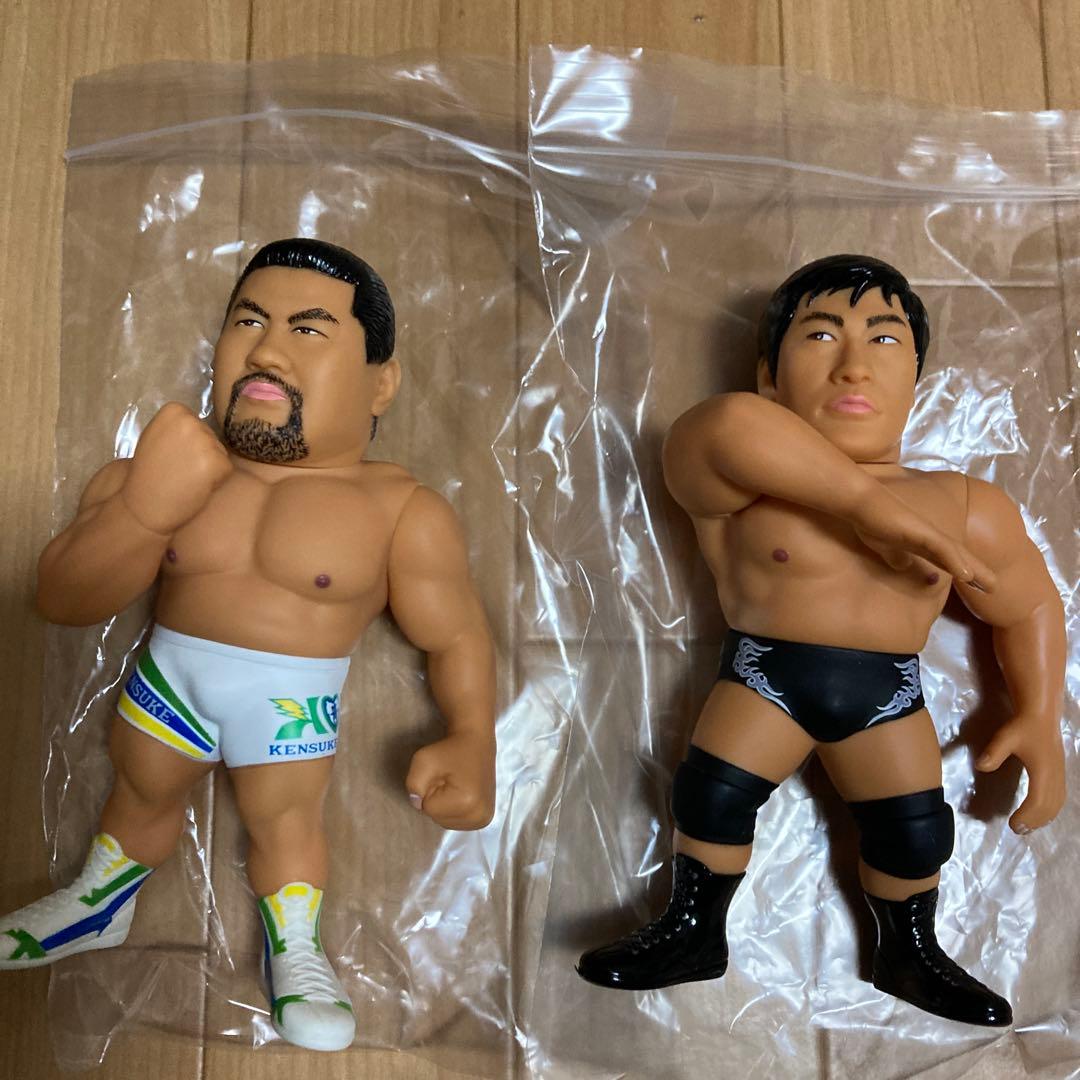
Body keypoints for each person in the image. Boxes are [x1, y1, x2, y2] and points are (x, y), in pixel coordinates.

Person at [0, 238, 497, 1053]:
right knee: (140, 791)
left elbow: (457, 634)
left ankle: (295, 946)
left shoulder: (399, 508)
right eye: (248, 322)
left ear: (380, 382)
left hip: (289, 699)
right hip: (171, 682)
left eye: (307, 330)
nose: (265, 351)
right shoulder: (164, 466)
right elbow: (61, 598)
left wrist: (473, 734)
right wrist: (145, 508)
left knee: (286, 823)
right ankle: (99, 903)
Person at [576, 254, 1066, 1027]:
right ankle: (693, 929)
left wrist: (1040, 714)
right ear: (768, 377)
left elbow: (1029, 604)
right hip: (764, 677)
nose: (853, 365)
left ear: (916, 377)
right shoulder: (744, 483)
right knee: (711, 799)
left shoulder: (961, 503)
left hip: (887, 694)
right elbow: (718, 430)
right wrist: (869, 507)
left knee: (914, 833)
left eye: (884, 339)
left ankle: (909, 949)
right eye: (821, 335)